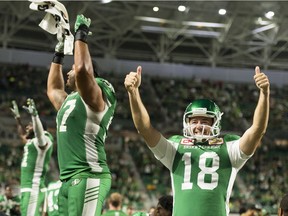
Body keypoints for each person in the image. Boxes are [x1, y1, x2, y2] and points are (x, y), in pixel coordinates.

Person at [124, 66, 270, 216]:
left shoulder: (229, 147)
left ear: (216, 123)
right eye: (194, 121)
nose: (199, 126)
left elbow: (258, 129)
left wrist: (264, 93)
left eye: (205, 121)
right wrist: (133, 93)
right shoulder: (176, 147)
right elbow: (144, 128)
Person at [47, 14, 117, 216]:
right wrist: (58, 53)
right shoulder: (71, 100)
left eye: (71, 68)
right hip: (68, 179)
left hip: (88, 174)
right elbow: (52, 89)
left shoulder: (99, 91)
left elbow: (83, 72)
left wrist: (81, 35)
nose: (68, 72)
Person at [10, 99, 54, 216]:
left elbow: (40, 136)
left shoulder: (44, 139)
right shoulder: (33, 142)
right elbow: (22, 135)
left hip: (33, 187)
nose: (27, 127)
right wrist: (18, 119)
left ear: (37, 127)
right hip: (28, 187)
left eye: (30, 125)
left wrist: (35, 116)